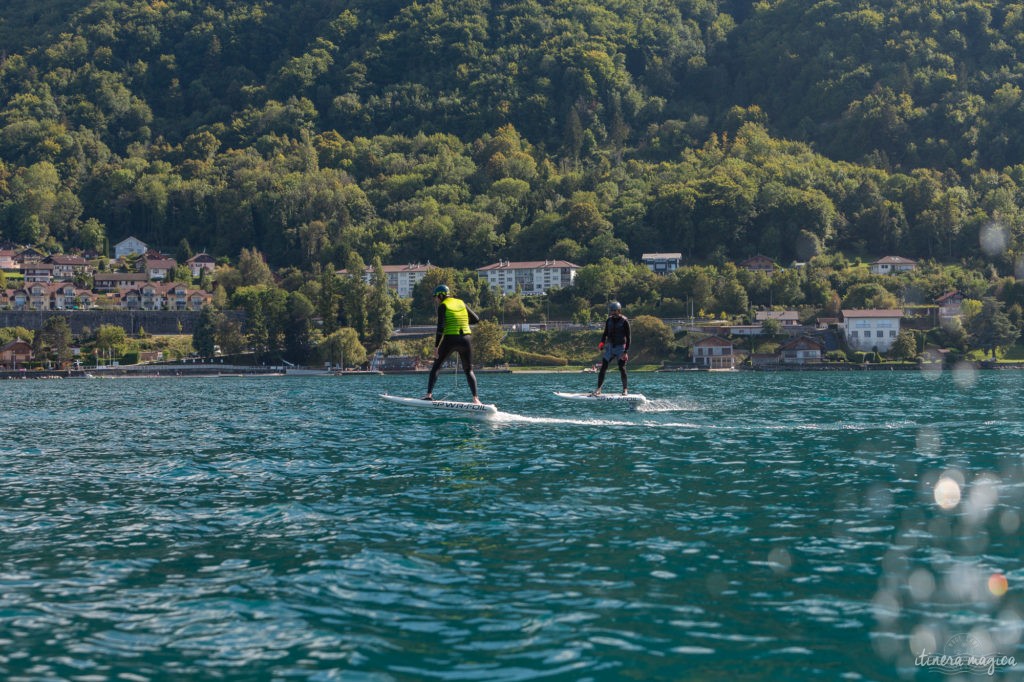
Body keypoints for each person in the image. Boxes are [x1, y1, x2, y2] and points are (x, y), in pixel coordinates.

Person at [423, 284, 483, 403]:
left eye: (436, 297)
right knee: (469, 370)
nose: (436, 299)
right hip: (466, 339)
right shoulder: (461, 302)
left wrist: (436, 347)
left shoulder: (443, 306)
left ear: (441, 295)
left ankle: (429, 395)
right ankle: (476, 399)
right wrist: (462, 320)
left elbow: (440, 328)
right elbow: (476, 319)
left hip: (450, 339)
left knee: (436, 367)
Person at [592, 300, 630, 395]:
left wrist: (625, 351)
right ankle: (598, 389)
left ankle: (625, 389)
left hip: (620, 348)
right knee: (603, 367)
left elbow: (629, 337)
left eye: (614, 310)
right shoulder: (609, 320)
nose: (612, 312)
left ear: (618, 310)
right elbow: (605, 333)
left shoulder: (624, 321)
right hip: (610, 347)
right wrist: (602, 342)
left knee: (622, 368)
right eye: (611, 310)